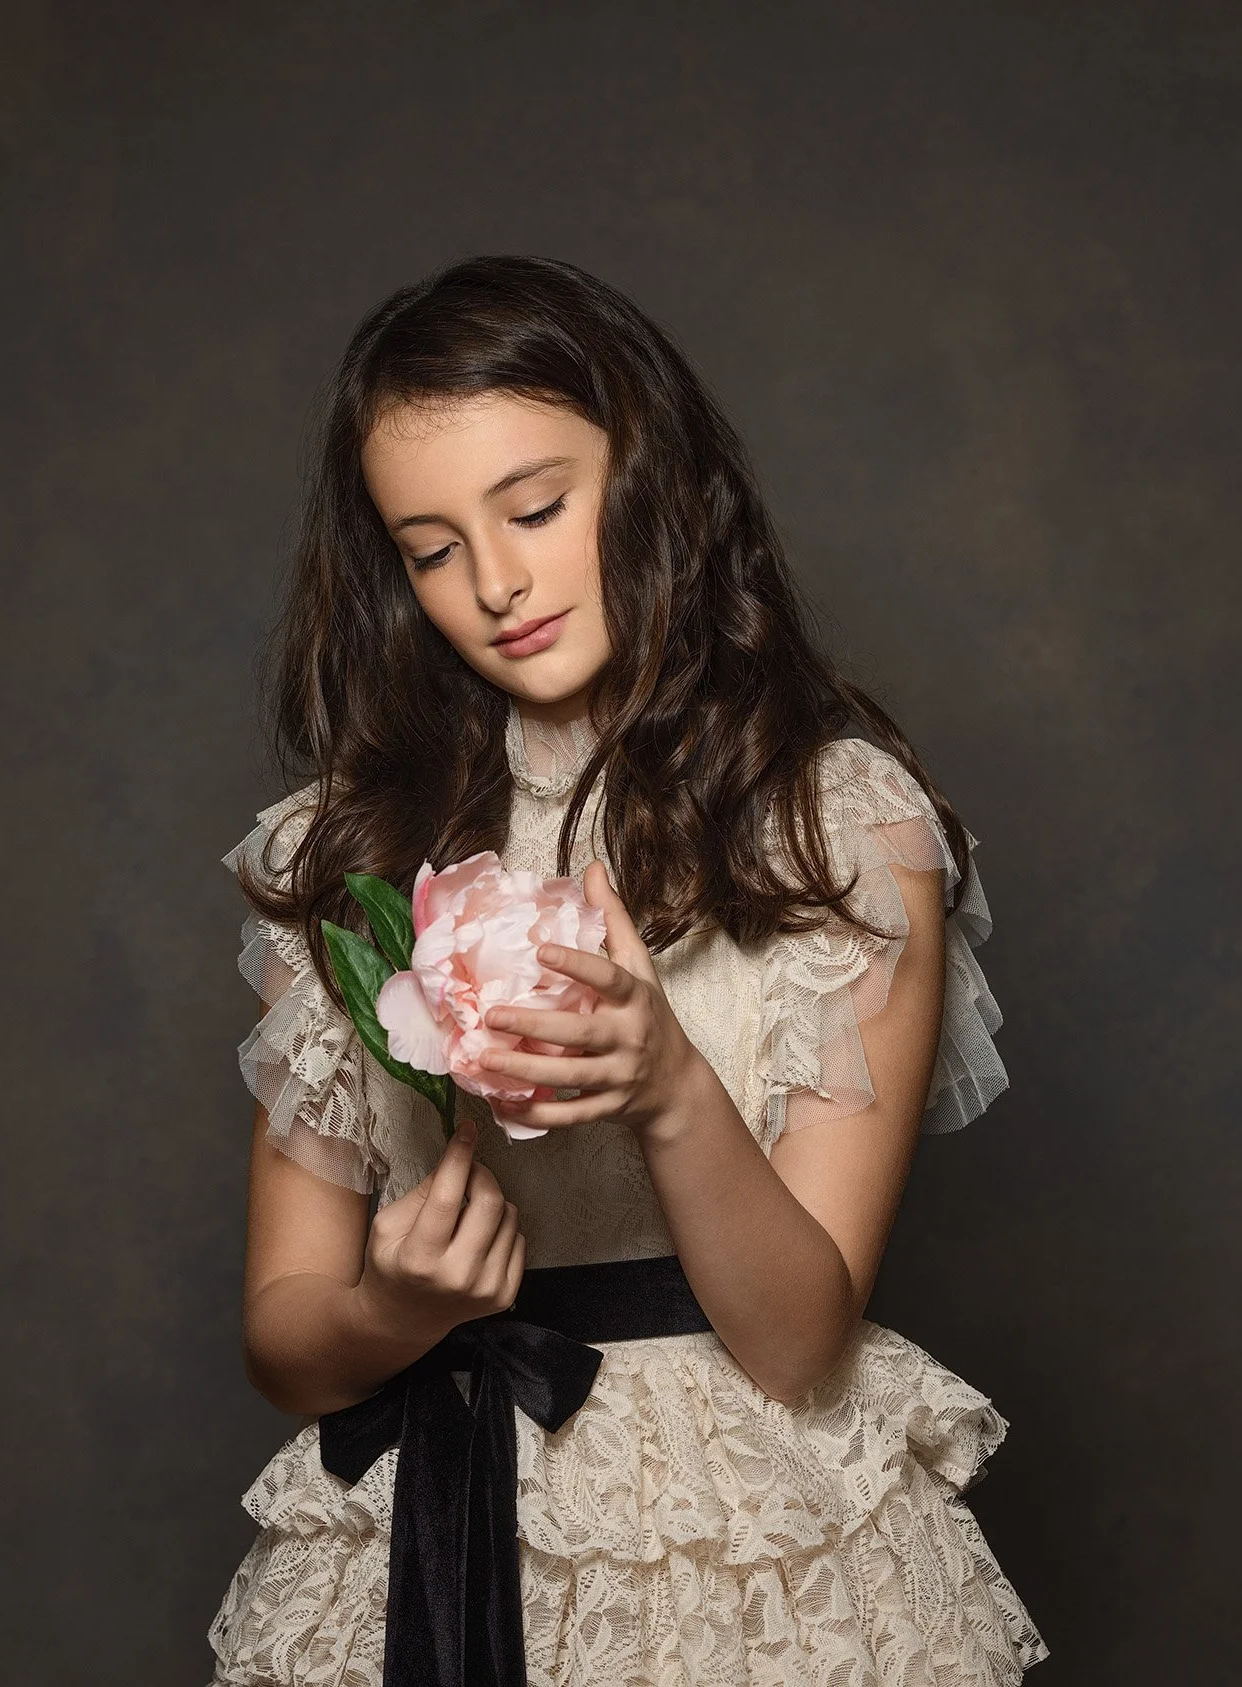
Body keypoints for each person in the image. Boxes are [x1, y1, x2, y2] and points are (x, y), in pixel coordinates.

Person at [206, 254, 1050, 1686]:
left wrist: (668, 1090)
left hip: (749, 1539)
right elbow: (288, 1336)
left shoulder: (833, 825)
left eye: (535, 507)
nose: (493, 579)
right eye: (427, 545)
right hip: (435, 1503)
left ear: (652, 475)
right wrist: (394, 1309)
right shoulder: (340, 852)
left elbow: (798, 1342)